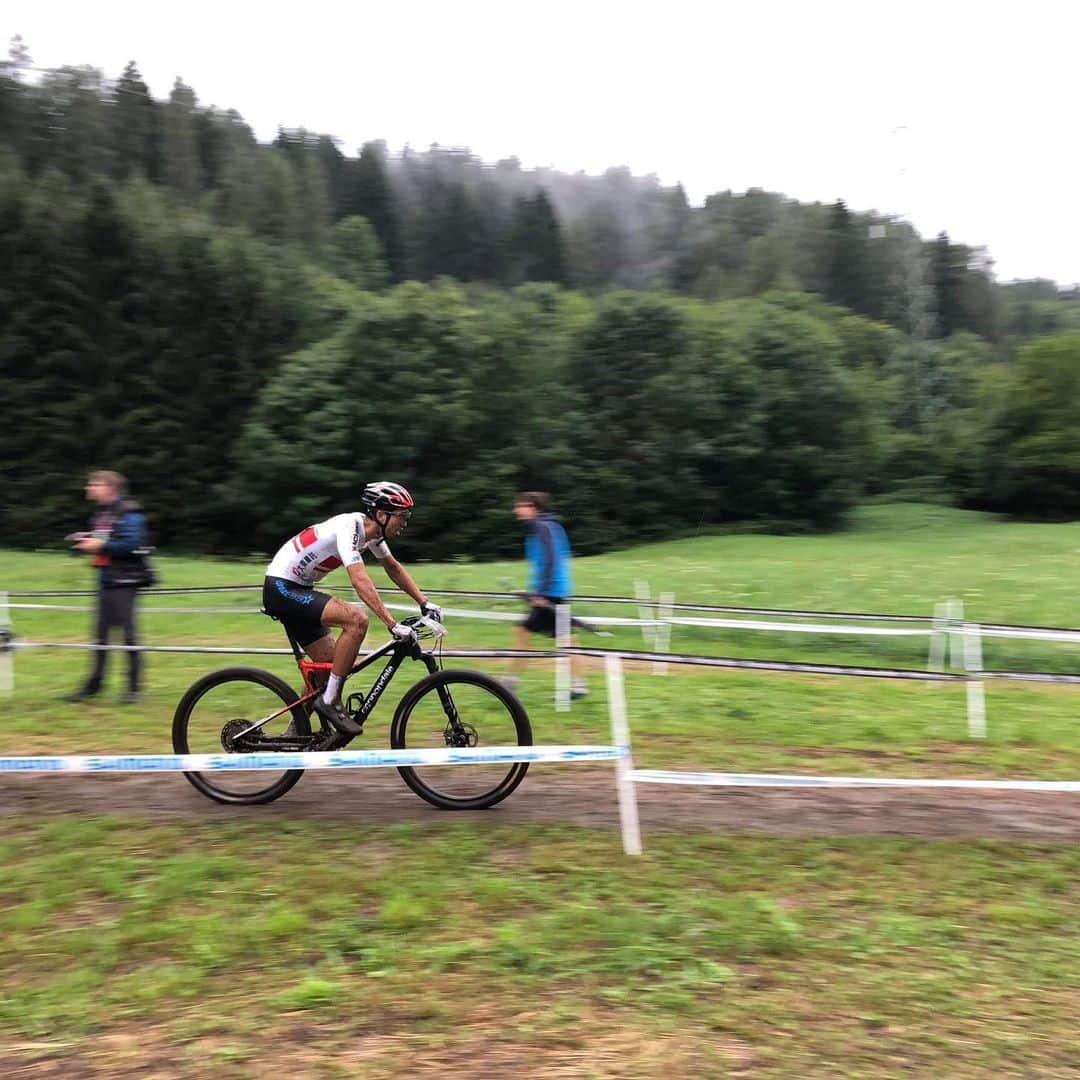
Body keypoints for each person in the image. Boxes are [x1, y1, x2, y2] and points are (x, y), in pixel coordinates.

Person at [261, 481, 441, 737]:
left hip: (299, 589)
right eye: (401, 516)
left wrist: (424, 602)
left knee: (332, 665)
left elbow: (393, 568)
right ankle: (330, 701)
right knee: (357, 619)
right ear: (381, 515)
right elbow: (359, 579)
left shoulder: (373, 535)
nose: (405, 522)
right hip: (282, 588)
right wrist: (391, 623)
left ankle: (295, 731)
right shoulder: (350, 528)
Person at [63, 470, 149, 704]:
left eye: (94, 483)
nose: (88, 487)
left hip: (124, 582)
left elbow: (132, 544)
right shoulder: (101, 514)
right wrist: (83, 540)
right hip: (105, 580)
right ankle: (94, 684)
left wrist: (98, 545)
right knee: (99, 636)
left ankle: (133, 688)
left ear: (109, 487)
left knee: (128, 635)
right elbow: (104, 540)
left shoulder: (129, 513)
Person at [507, 491, 587, 700]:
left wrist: (540, 593)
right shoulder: (549, 525)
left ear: (533, 507)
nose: (517, 509)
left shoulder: (541, 526)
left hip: (551, 593)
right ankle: (579, 686)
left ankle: (510, 681)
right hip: (555, 591)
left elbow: (551, 560)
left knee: (523, 631)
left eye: (520, 505)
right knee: (566, 638)